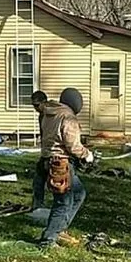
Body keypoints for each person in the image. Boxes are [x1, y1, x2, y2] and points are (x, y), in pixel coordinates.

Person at [37, 87, 94, 248]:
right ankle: (48, 239)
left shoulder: (49, 113)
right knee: (63, 201)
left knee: (79, 193)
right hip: (61, 164)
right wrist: (87, 154)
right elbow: (72, 145)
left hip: (49, 160)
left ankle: (59, 229)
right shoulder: (68, 117)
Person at [30, 90, 49, 209]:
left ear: (44, 102)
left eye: (37, 105)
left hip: (55, 153)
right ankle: (37, 205)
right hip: (45, 151)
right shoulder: (41, 115)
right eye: (33, 105)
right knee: (38, 180)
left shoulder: (52, 115)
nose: (35, 108)